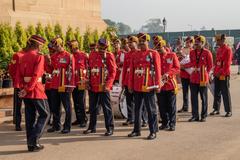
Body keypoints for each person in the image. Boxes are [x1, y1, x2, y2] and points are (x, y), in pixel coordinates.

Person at [16, 35, 50, 152]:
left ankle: (30, 145)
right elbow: (36, 75)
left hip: (26, 90)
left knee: (30, 117)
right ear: (38, 45)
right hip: (36, 90)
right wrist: (28, 88)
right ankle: (34, 140)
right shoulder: (39, 57)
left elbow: (18, 75)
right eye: (41, 45)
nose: (41, 47)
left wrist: (23, 88)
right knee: (45, 114)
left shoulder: (22, 56)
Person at [128, 33, 161, 140]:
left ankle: (153, 131)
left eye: (143, 41)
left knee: (151, 109)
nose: (141, 44)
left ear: (148, 42)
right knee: (137, 109)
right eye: (140, 42)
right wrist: (130, 84)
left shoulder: (153, 53)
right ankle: (136, 130)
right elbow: (132, 71)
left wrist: (158, 84)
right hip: (137, 85)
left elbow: (158, 70)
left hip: (149, 85)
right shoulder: (135, 54)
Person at [83, 38, 116, 136]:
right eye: (101, 45)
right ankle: (92, 127)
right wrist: (87, 81)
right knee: (92, 108)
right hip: (93, 85)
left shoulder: (109, 56)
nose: (102, 48)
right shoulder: (93, 54)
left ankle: (109, 128)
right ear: (98, 45)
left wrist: (108, 85)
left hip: (103, 86)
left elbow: (113, 72)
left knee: (106, 108)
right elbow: (89, 69)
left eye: (104, 46)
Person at [47, 37, 75, 134]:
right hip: (54, 84)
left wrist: (71, 85)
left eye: (57, 46)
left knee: (67, 107)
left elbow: (72, 72)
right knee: (55, 107)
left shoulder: (69, 56)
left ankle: (67, 126)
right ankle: (56, 125)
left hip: (64, 84)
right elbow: (51, 70)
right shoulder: (54, 56)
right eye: (54, 46)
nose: (55, 48)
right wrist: (48, 62)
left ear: (61, 45)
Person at [183, 35, 213, 122]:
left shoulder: (207, 53)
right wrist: (183, 66)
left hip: (203, 77)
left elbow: (210, 66)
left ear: (203, 43)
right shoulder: (192, 52)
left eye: (198, 43)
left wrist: (205, 73)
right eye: (196, 43)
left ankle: (203, 115)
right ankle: (195, 115)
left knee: (203, 98)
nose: (196, 44)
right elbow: (191, 63)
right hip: (193, 77)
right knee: (193, 98)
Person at [154, 38, 180, 131]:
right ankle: (165, 123)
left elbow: (177, 68)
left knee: (171, 105)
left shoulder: (172, 55)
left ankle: (172, 123)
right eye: (157, 49)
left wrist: (168, 74)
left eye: (160, 48)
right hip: (160, 84)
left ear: (164, 47)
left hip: (170, 84)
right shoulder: (156, 57)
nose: (158, 50)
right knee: (161, 105)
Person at [210, 34, 233, 117]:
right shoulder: (219, 49)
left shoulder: (228, 49)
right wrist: (214, 71)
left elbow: (227, 64)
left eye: (218, 40)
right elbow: (217, 62)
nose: (217, 42)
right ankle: (216, 109)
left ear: (223, 40)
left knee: (225, 92)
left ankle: (228, 111)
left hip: (224, 74)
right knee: (217, 92)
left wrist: (220, 72)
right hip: (217, 73)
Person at [68, 40, 88, 127]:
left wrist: (87, 80)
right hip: (73, 81)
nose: (70, 48)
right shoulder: (71, 56)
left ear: (75, 46)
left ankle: (83, 119)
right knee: (75, 101)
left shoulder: (84, 55)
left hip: (81, 81)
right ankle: (78, 119)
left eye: (71, 47)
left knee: (81, 101)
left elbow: (88, 68)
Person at [121, 36, 139, 126]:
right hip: (128, 80)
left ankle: (141, 119)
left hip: (137, 80)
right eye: (129, 43)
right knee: (129, 100)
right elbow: (124, 69)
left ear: (136, 43)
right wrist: (123, 82)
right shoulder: (127, 54)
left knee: (139, 101)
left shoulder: (139, 53)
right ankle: (130, 118)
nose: (129, 44)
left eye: (131, 42)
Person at [178, 36, 194, 113]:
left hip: (191, 74)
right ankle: (185, 107)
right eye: (187, 42)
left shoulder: (194, 51)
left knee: (193, 92)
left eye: (190, 42)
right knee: (185, 92)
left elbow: (193, 63)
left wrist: (184, 66)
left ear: (192, 43)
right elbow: (178, 59)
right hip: (184, 74)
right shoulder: (183, 50)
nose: (188, 43)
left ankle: (194, 108)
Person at [8, 50, 24, 131]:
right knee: (18, 105)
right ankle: (17, 123)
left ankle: (28, 123)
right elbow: (11, 69)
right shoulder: (17, 55)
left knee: (29, 105)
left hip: (28, 84)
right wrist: (15, 79)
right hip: (19, 84)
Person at [44, 42, 56, 126]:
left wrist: (50, 62)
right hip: (47, 84)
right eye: (49, 49)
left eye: (52, 49)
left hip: (54, 84)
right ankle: (48, 119)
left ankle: (54, 120)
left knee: (54, 104)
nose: (50, 51)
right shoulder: (45, 57)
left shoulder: (56, 57)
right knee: (47, 103)